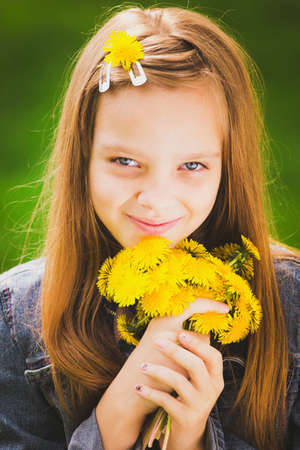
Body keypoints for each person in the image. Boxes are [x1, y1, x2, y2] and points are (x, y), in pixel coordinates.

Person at [0, 5, 299, 450]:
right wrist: (113, 420)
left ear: (228, 166)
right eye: (125, 161)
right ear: (83, 155)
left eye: (192, 164)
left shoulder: (289, 305)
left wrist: (192, 441)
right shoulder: (15, 318)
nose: (156, 199)